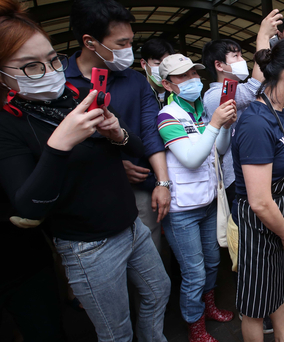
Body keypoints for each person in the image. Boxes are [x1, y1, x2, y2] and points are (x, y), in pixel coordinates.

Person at [0, 1, 171, 339]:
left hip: (130, 225)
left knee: (158, 292)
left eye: (51, 60)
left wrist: (117, 133)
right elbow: (28, 206)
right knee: (116, 331)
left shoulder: (75, 94)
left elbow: (136, 144)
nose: (50, 72)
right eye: (31, 67)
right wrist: (59, 144)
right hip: (87, 245)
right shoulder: (8, 125)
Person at [66, 0, 171, 253]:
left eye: (130, 42)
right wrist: (110, 167)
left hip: (140, 189)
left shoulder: (135, 81)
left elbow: (150, 131)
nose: (129, 50)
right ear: (90, 42)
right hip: (86, 198)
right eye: (121, 44)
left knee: (150, 268)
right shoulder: (59, 83)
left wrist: (163, 183)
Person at [231, 37, 284, 342]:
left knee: (278, 287)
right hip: (261, 226)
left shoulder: (281, 113)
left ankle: (283, 337)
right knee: (255, 305)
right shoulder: (254, 122)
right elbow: (261, 202)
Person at [157, 54, 237, 341]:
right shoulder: (167, 116)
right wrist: (216, 123)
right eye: (183, 76)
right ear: (167, 84)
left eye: (194, 73)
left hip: (207, 203)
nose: (193, 79)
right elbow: (191, 159)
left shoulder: (201, 111)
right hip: (182, 210)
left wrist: (224, 126)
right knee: (194, 272)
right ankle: (195, 327)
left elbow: (220, 149)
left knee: (213, 261)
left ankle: (209, 307)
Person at [202, 9, 283, 209]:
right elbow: (254, 86)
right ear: (219, 65)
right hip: (235, 176)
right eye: (236, 56)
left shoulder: (236, 89)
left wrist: (276, 45)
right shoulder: (215, 96)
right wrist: (262, 36)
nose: (242, 60)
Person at [140, 38, 175, 109]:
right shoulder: (138, 95)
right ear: (144, 64)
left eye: (166, 64)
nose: (162, 68)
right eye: (157, 63)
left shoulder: (177, 93)